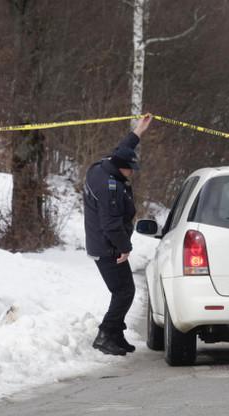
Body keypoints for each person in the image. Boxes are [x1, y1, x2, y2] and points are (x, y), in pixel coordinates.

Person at [83, 114, 152, 356]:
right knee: (124, 292)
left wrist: (138, 131)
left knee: (124, 290)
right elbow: (111, 223)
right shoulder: (109, 187)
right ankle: (105, 334)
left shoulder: (103, 167)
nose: (132, 173)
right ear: (120, 167)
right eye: (130, 169)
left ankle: (116, 334)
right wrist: (124, 248)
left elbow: (122, 149)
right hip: (108, 246)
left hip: (104, 242)